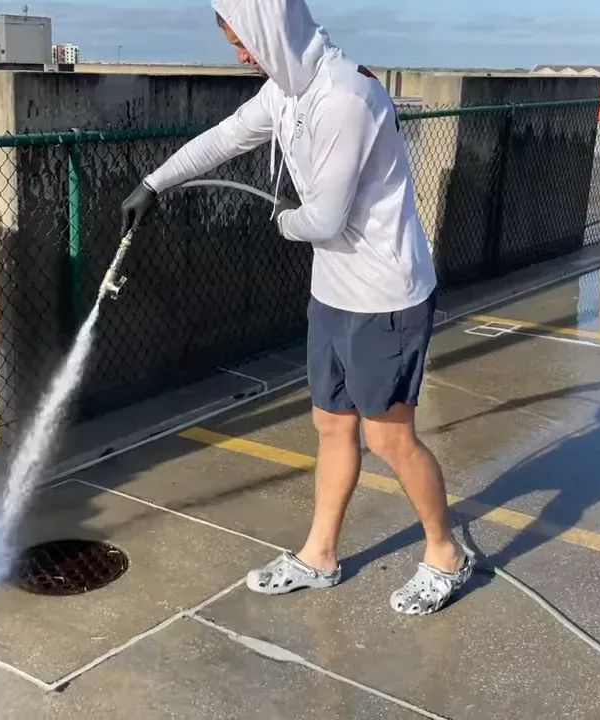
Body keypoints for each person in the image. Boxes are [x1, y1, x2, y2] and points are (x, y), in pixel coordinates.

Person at [120, 0, 473, 617]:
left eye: (242, 37)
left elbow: (325, 218)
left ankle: (445, 554)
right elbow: (226, 138)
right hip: (334, 290)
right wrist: (154, 183)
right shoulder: (285, 91)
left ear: (270, 27)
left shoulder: (345, 98)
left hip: (384, 295)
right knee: (332, 425)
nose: (238, 51)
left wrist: (286, 222)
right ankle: (320, 555)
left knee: (390, 440)